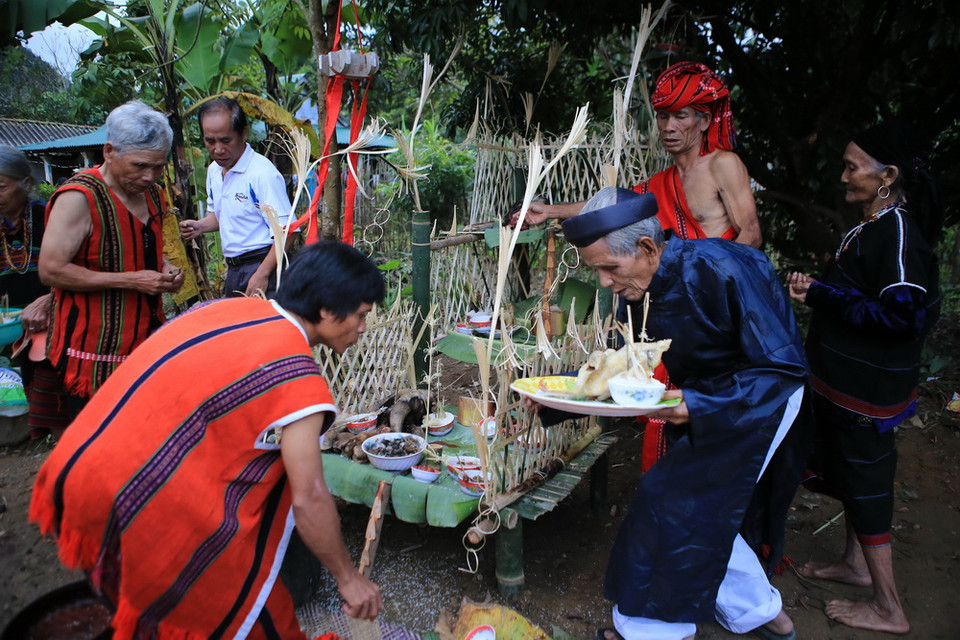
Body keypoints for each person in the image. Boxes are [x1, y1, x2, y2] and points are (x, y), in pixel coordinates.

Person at [30, 240, 385, 639]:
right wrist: (347, 578)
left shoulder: (226, 310)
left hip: (77, 474)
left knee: (140, 614)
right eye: (360, 315)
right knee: (248, 615)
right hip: (135, 503)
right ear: (325, 310)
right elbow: (309, 496)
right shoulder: (297, 377)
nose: (363, 329)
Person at [547, 186, 807, 640]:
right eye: (598, 271)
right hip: (706, 398)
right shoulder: (640, 284)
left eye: (609, 268)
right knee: (699, 502)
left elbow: (781, 367)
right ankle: (761, 614)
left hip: (762, 398)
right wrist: (558, 396)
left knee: (675, 498)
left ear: (647, 247)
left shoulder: (727, 268)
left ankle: (658, 630)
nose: (605, 282)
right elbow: (625, 363)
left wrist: (701, 405)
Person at [786, 121, 943, 634]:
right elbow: (864, 296)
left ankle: (889, 606)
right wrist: (820, 290)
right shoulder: (872, 225)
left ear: (887, 175)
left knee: (868, 483)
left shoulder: (898, 234)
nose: (843, 176)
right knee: (850, 474)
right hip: (841, 385)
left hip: (866, 395)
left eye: (854, 166)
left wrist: (823, 296)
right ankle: (855, 564)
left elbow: (904, 316)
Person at [38, 101, 184, 424]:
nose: (150, 176)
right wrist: (132, 280)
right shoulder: (79, 198)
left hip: (144, 343)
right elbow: (50, 270)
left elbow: (137, 245)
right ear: (108, 151)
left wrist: (163, 269)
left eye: (158, 167)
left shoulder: (153, 194)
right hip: (92, 354)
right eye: (139, 165)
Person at [510, 62, 761, 248]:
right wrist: (549, 211)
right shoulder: (664, 182)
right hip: (692, 288)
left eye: (680, 116)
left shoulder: (723, 164)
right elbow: (614, 206)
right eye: (663, 116)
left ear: (704, 120)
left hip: (725, 287)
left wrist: (717, 278)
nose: (668, 126)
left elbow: (751, 235)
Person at [180, 97, 292, 298]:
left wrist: (263, 273)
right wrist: (200, 226)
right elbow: (220, 215)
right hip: (234, 270)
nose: (218, 149)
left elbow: (287, 231)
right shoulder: (214, 170)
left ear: (243, 134)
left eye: (225, 140)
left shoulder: (261, 173)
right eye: (210, 141)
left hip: (264, 265)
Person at [0, 146, 72, 436]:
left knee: (49, 372)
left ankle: (58, 431)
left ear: (26, 184)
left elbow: (73, 264)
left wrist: (49, 299)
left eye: (2, 187)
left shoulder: (49, 216)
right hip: (9, 319)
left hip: (50, 312)